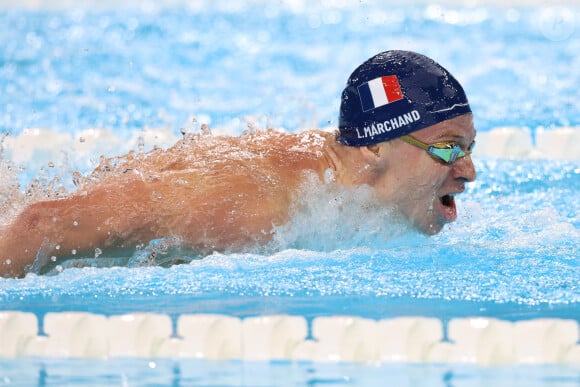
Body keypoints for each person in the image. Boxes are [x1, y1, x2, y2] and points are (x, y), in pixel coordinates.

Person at [0, 50, 476, 278]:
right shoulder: (256, 210)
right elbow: (42, 223)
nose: (469, 170)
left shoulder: (349, 180)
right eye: (449, 148)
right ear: (374, 148)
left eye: (470, 147)